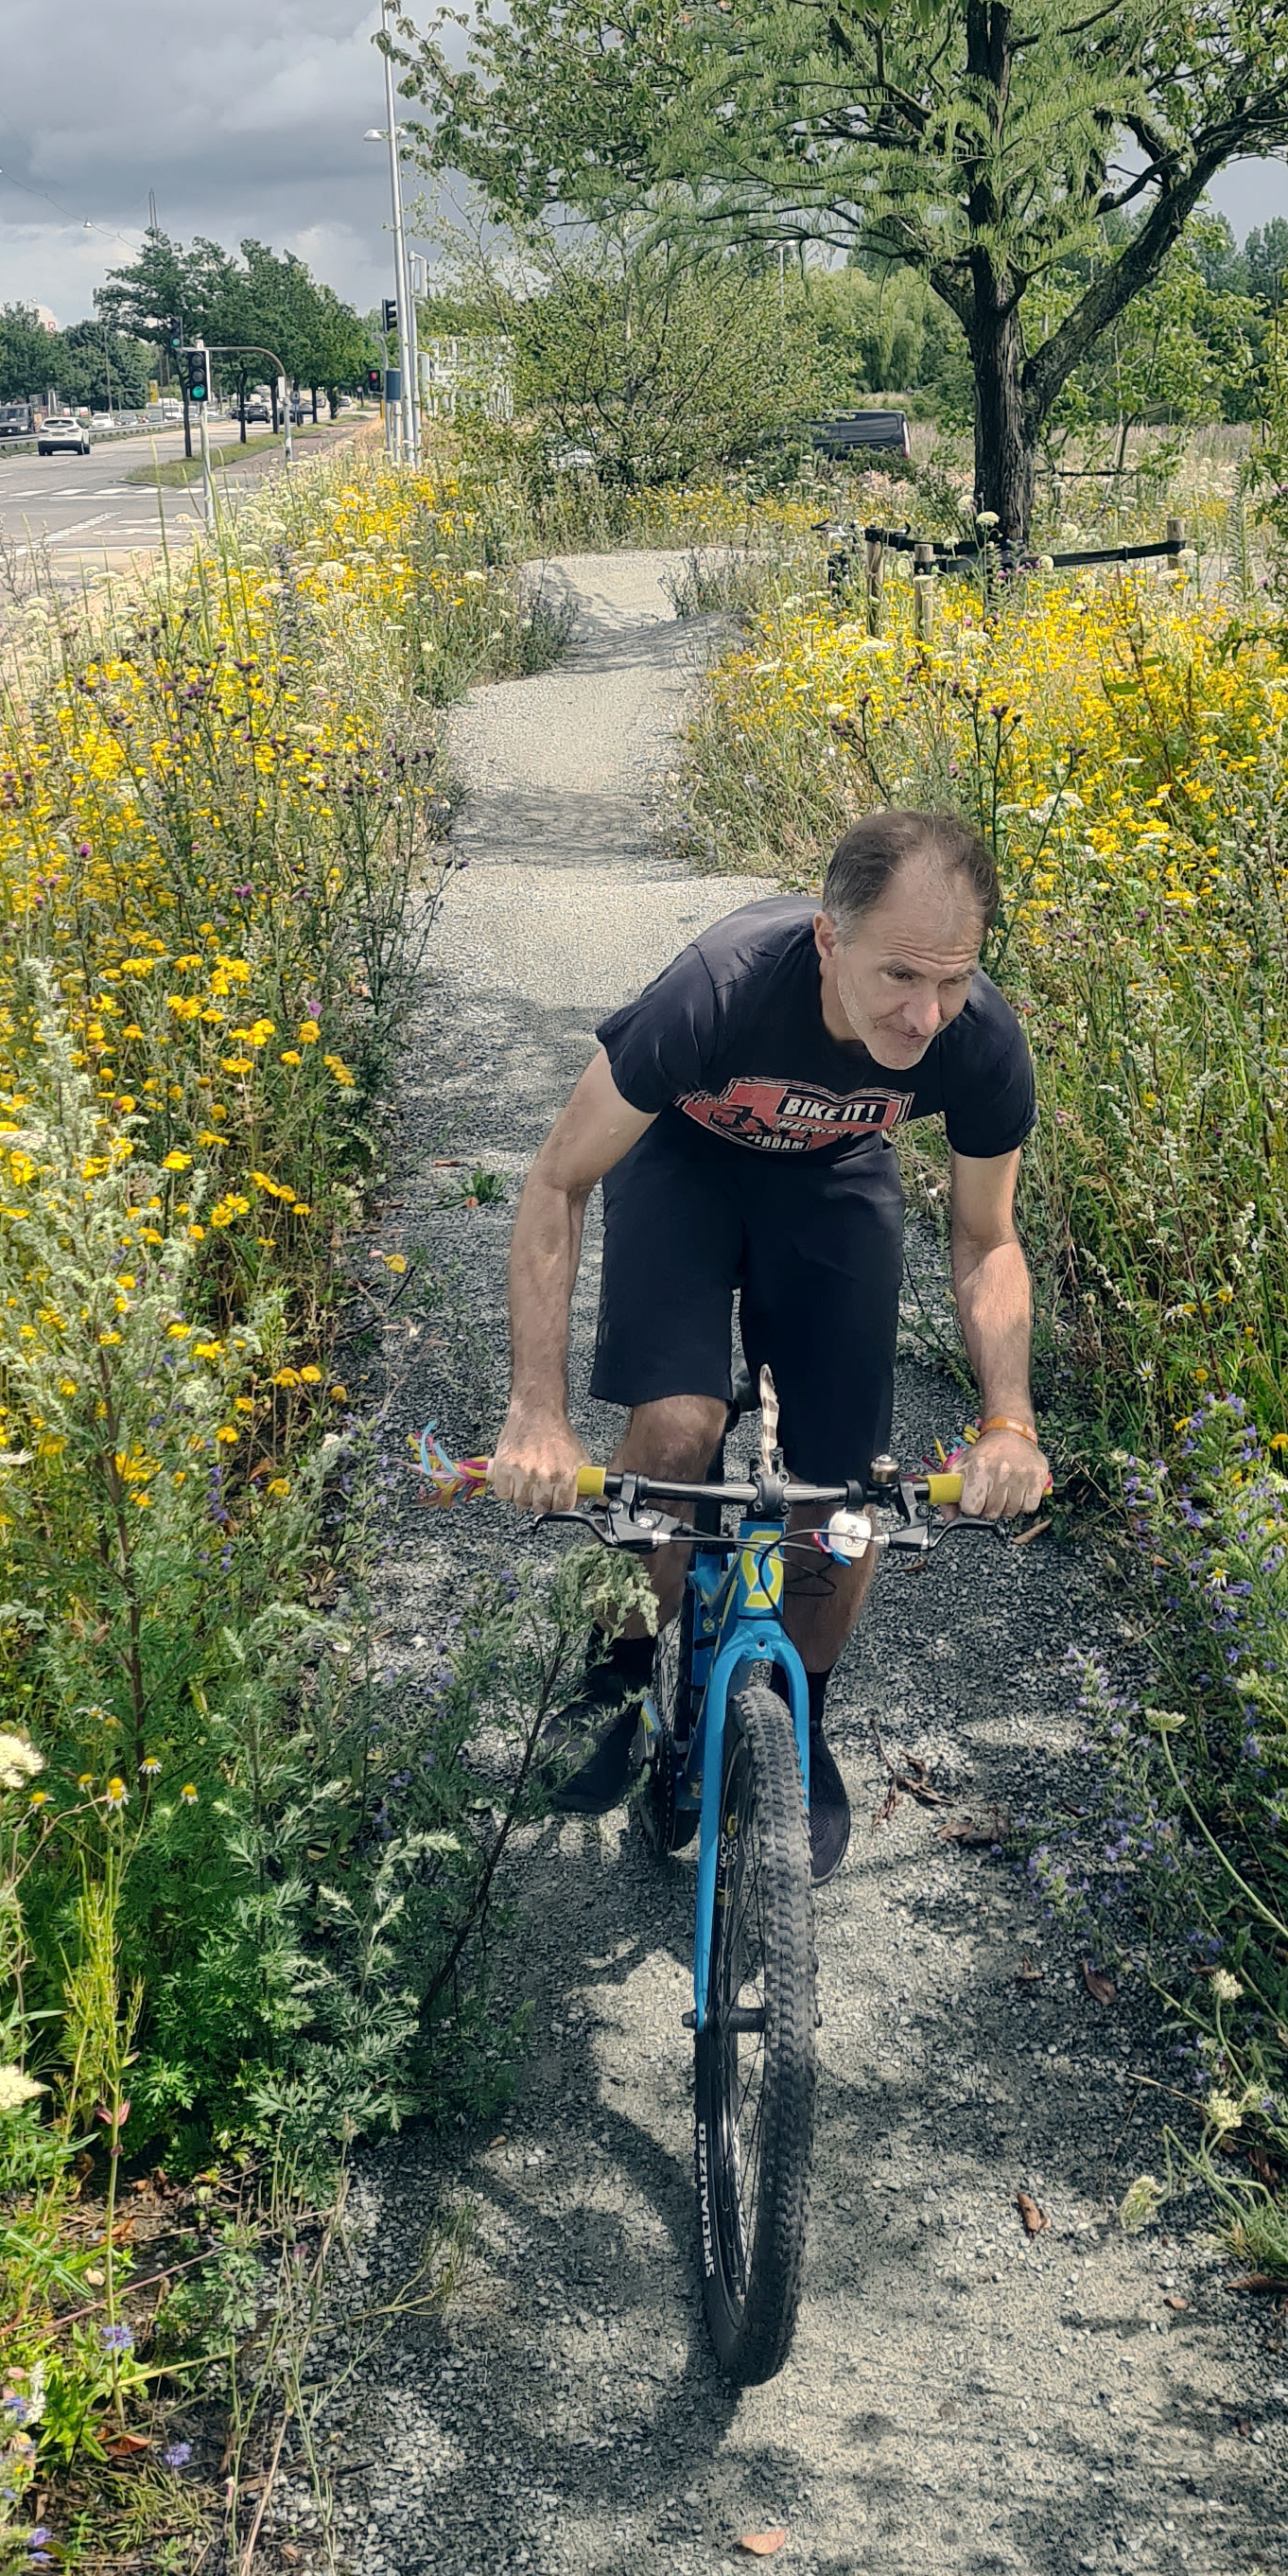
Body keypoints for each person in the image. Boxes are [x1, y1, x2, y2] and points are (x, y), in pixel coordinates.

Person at [489, 805, 1051, 1879]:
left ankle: (802, 1713)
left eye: (952, 979)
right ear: (829, 941)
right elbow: (558, 1179)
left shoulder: (979, 1040)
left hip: (833, 1179)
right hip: (686, 1164)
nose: (926, 1014)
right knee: (678, 1425)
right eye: (899, 975)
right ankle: (621, 1672)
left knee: (846, 1489)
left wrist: (1009, 1423)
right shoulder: (719, 990)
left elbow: (987, 1239)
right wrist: (537, 1411)